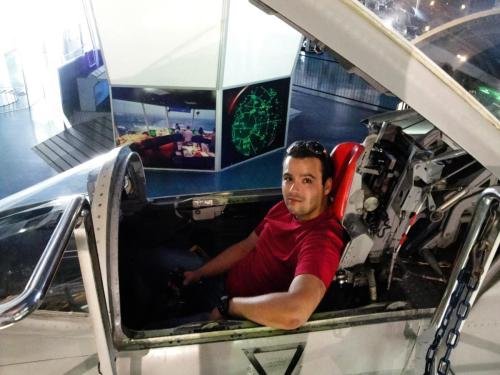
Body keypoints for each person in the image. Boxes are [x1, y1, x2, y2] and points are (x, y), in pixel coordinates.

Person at [143, 140, 345, 329]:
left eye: (307, 180)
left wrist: (228, 307)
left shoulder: (322, 239)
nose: (293, 190)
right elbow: (246, 247)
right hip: (224, 285)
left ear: (327, 186)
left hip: (240, 315)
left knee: (152, 330)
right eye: (288, 178)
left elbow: (295, 312)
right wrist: (201, 273)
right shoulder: (285, 208)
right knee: (151, 258)